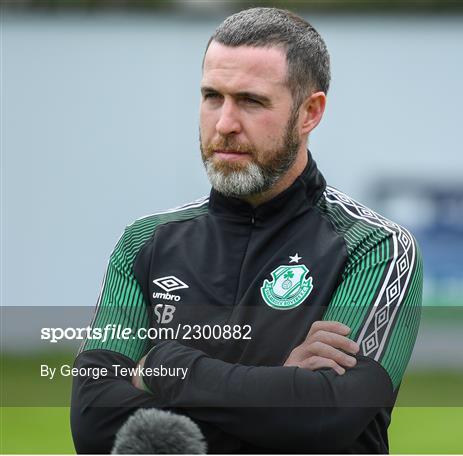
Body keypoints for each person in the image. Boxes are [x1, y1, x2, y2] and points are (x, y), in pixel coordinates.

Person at [70, 7, 422, 454]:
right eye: (212, 96)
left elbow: (324, 418)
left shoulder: (373, 247)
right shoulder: (144, 243)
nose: (224, 124)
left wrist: (163, 364)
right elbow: (93, 420)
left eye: (251, 101)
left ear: (309, 112)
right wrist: (281, 386)